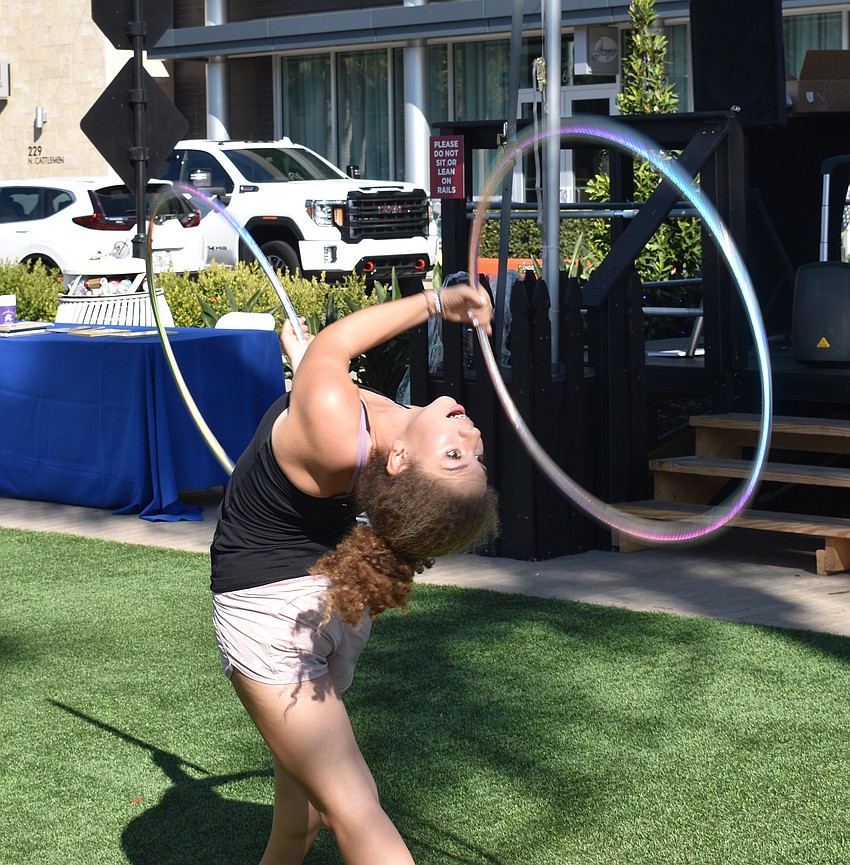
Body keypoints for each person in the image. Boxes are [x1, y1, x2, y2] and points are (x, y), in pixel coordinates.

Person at [210, 282, 498, 865]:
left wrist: (437, 304)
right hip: (330, 605)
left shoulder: (335, 422)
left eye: (453, 456)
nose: (469, 435)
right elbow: (325, 372)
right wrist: (307, 362)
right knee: (300, 820)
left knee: (354, 806)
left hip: (275, 621)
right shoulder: (359, 430)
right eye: (473, 454)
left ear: (399, 465)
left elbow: (337, 348)